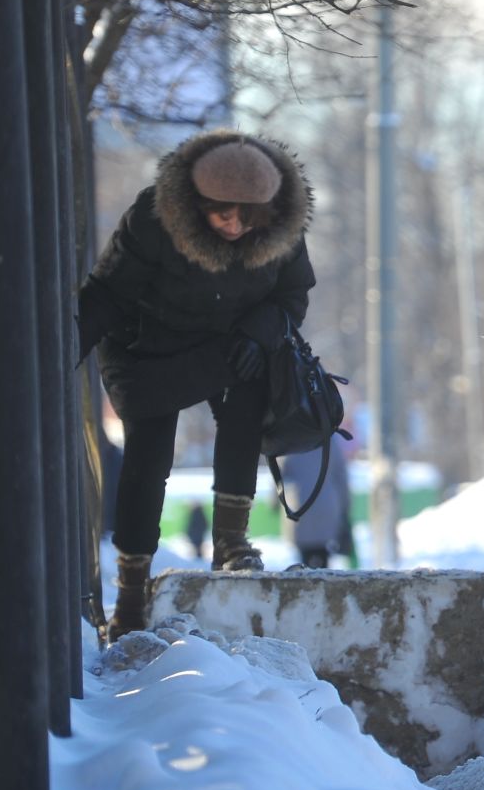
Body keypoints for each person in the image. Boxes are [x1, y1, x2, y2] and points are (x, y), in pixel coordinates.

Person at [76, 130, 315, 639]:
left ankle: (231, 543)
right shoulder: (155, 218)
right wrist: (63, 348)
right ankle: (132, 597)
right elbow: (108, 293)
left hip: (230, 340)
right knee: (148, 457)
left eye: (247, 217)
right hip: (149, 345)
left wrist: (259, 333)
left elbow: (292, 297)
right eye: (222, 213)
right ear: (198, 203)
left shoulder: (281, 231)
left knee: (245, 408)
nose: (234, 226)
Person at [279, 442, 353, 569]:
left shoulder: (290, 438)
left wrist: (275, 501)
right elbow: (341, 477)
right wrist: (345, 507)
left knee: (304, 559)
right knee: (323, 558)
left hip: (300, 507)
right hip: (327, 507)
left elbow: (279, 475)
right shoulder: (332, 440)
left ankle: (306, 582)